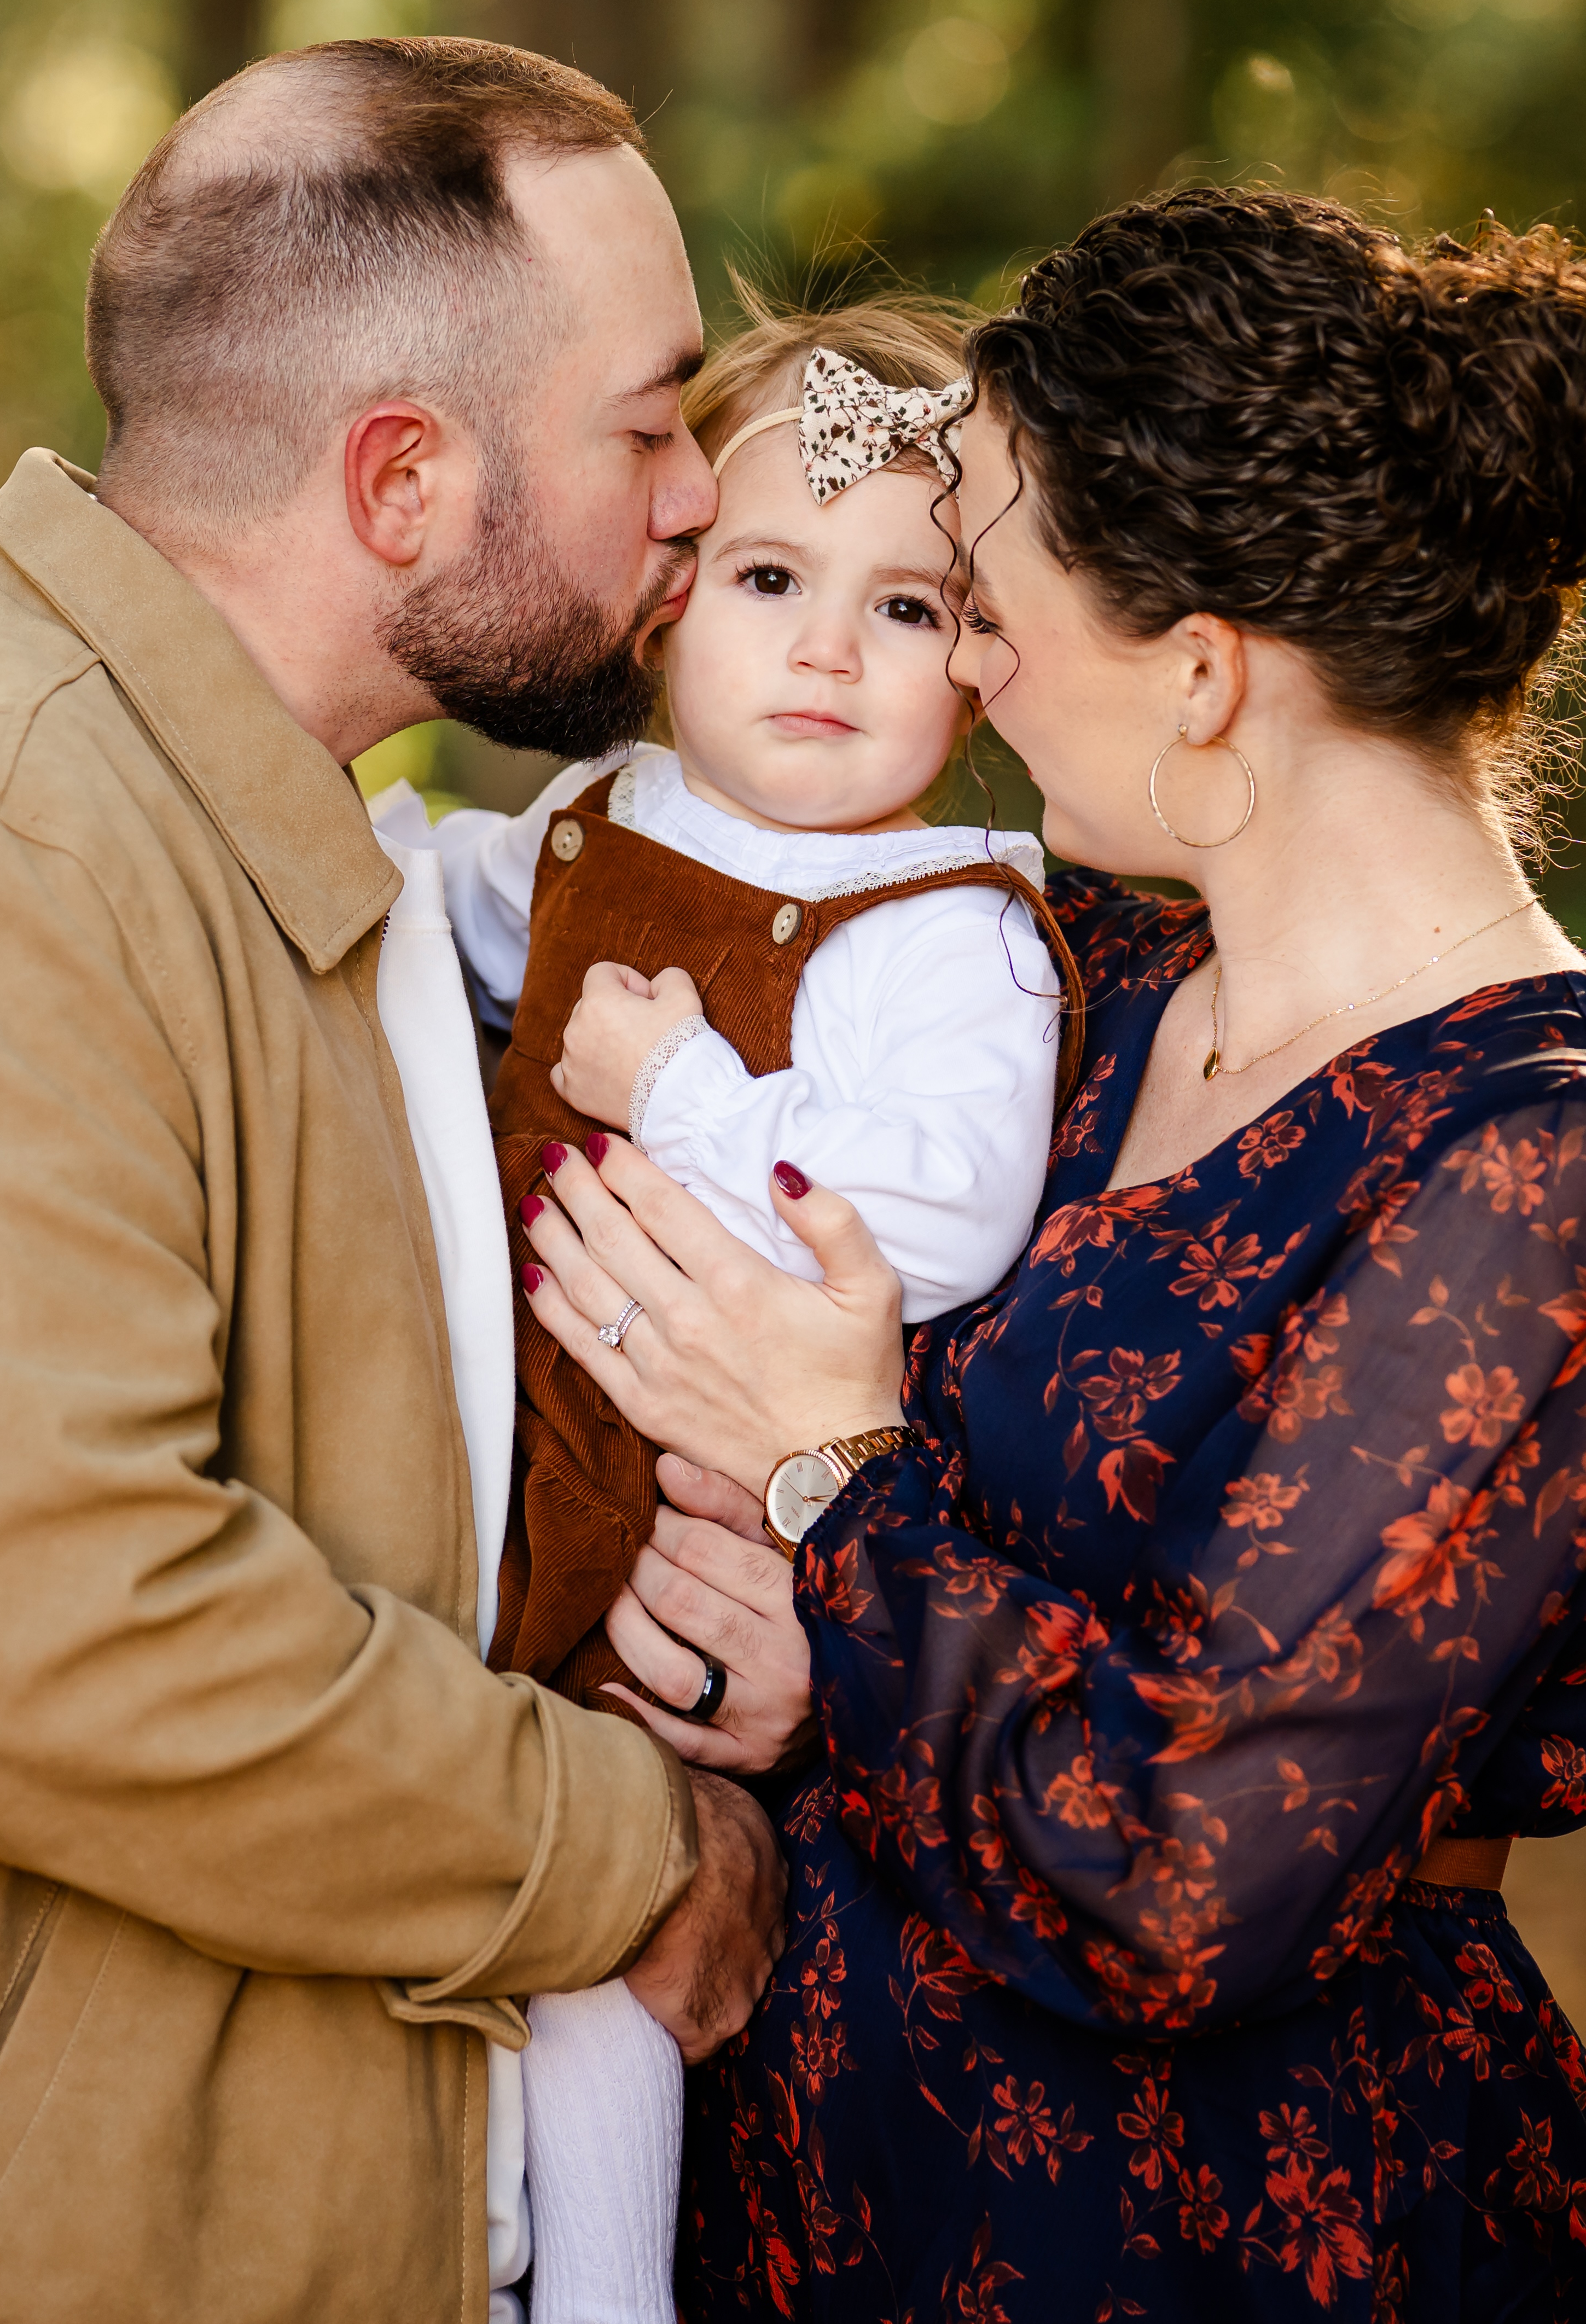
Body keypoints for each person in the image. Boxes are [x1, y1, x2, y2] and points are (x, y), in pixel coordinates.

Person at [0, 37, 784, 2324]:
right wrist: (624, 1846)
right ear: (402, 479)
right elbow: (69, 1637)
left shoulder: (299, 849)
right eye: (651, 419)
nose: (696, 492)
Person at [513, 189, 1586, 2319]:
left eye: (984, 596)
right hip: (831, 2152)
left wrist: (830, 1498)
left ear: (1197, 672)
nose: (959, 660)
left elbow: (1188, 1860)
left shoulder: (1553, 1163)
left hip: (1205, 2224)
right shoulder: (1072, 975)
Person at [389, 300, 1078, 2324]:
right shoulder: (604, 814)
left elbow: (941, 1212)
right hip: (502, 1457)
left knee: (612, 1928)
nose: (822, 650)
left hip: (683, 1513)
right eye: (773, 580)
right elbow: (433, 907)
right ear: (673, 600)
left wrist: (685, 1093)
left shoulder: (949, 917)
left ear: (977, 662)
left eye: (903, 607)